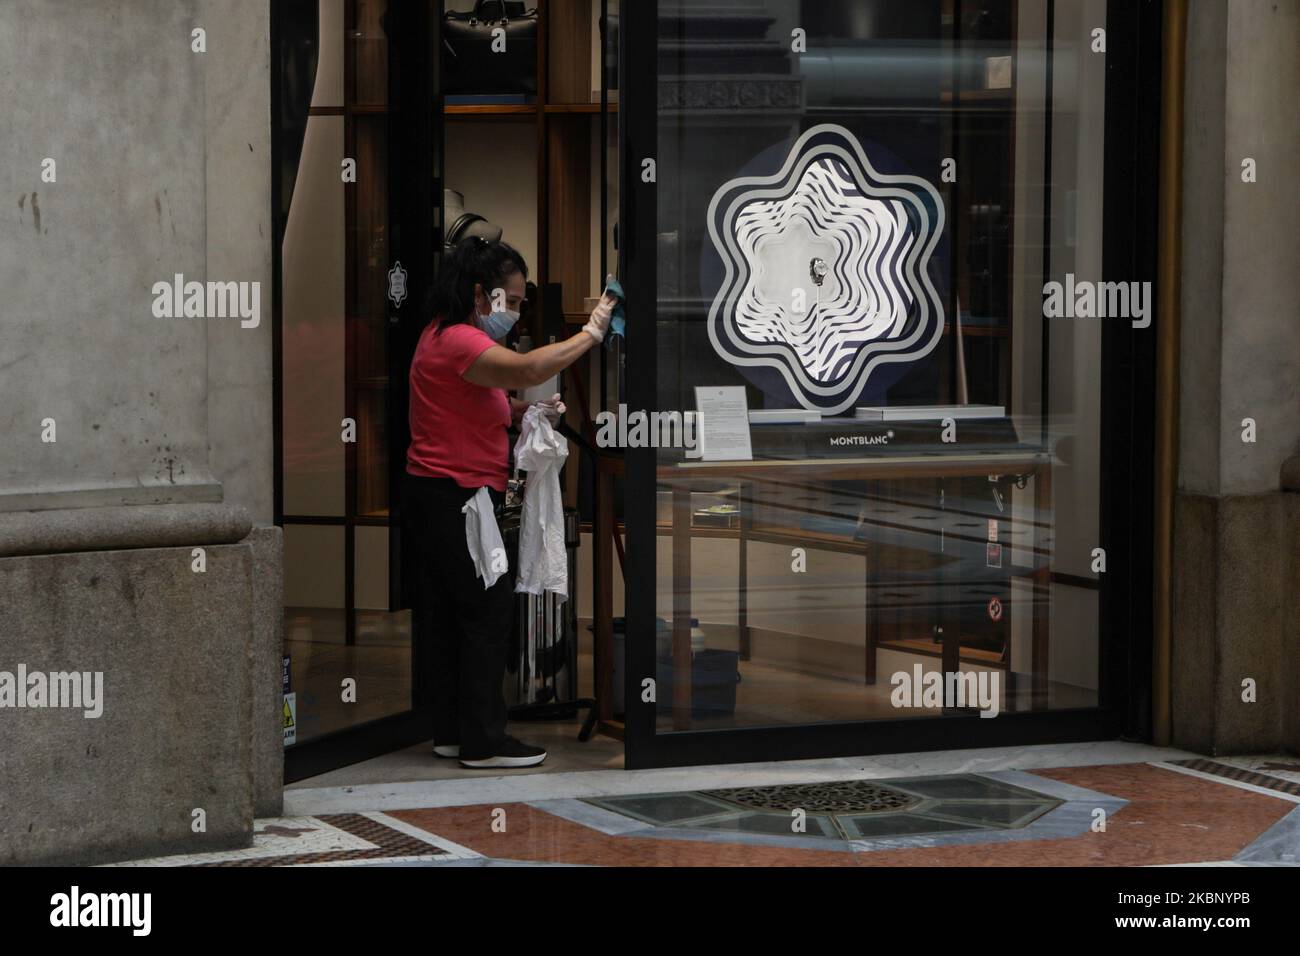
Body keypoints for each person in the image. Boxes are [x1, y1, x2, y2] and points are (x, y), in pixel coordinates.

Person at [404, 236, 615, 769]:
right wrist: (591, 332)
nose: (516, 313)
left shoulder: (440, 335)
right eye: (513, 301)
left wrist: (523, 414)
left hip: (441, 494)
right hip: (459, 496)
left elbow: (485, 395)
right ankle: (484, 741)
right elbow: (522, 368)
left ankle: (453, 730)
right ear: (482, 295)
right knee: (486, 612)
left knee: (455, 615)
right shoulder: (458, 340)